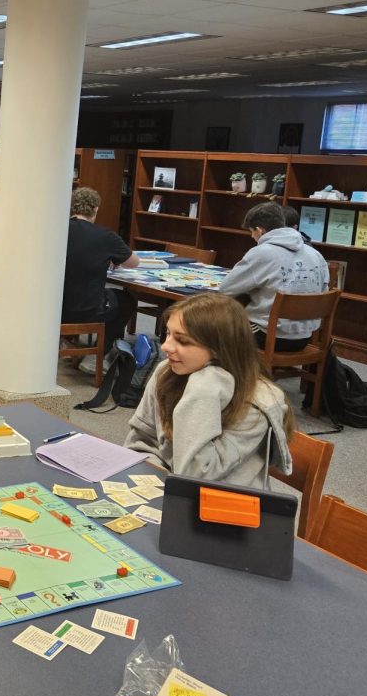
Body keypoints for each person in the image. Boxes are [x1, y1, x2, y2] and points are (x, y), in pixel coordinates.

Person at [123, 293, 294, 488]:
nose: (165, 347)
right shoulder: (167, 371)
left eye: (183, 341)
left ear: (220, 349)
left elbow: (196, 475)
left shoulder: (258, 404)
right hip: (168, 489)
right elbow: (141, 441)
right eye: (168, 334)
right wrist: (154, 482)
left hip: (225, 504)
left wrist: (203, 388)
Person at [219, 202, 328, 351]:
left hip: (267, 336)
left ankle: (234, 371)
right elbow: (324, 290)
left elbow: (226, 289)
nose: (252, 236)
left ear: (260, 230)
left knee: (216, 323)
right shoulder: (315, 255)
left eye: (252, 232)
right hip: (304, 338)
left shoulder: (262, 252)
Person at [61, 187, 139, 355]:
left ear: (72, 207)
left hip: (54, 307)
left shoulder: (56, 230)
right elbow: (134, 262)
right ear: (96, 209)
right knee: (127, 301)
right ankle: (100, 352)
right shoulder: (105, 237)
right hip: (86, 310)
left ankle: (69, 344)